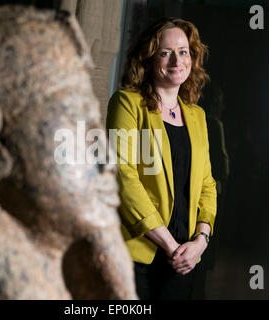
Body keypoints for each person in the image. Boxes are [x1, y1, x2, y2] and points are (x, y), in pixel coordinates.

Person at [106, 17, 217, 300]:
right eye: (165, 53)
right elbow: (123, 177)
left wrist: (200, 242)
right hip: (137, 257)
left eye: (183, 51)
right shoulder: (127, 104)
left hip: (186, 257)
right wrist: (170, 246)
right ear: (149, 58)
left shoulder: (197, 116)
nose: (176, 60)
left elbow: (206, 184)